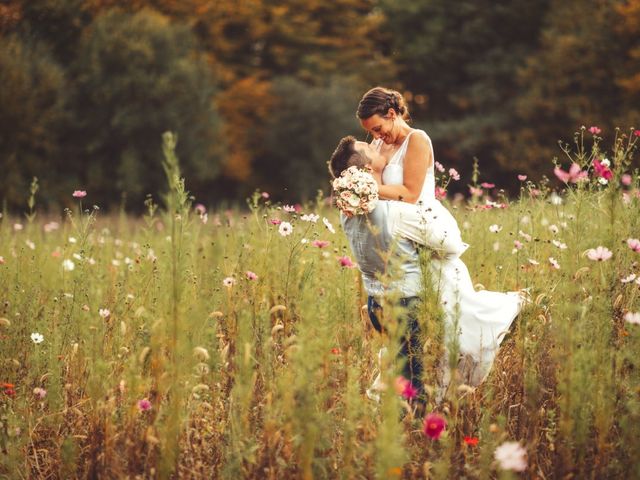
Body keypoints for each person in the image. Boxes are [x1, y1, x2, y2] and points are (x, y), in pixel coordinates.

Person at [344, 86, 523, 388]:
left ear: (392, 114)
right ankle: (417, 389)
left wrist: (366, 190)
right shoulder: (376, 143)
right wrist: (352, 191)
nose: (377, 135)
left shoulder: (418, 140)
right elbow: (368, 175)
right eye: (370, 131)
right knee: (423, 325)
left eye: (378, 127)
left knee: (455, 319)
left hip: (421, 226)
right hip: (396, 237)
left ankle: (506, 315)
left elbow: (411, 194)